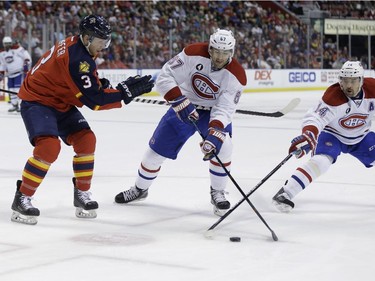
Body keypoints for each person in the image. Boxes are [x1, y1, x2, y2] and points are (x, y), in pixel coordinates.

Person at [11, 14, 154, 225]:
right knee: (49, 147)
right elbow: (95, 102)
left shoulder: (79, 46)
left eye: (107, 41)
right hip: (38, 101)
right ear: (87, 38)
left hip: (59, 100)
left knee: (86, 140)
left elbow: (82, 84)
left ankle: (82, 193)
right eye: (101, 41)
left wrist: (102, 85)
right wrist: (124, 94)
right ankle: (22, 197)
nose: (104, 46)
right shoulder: (79, 59)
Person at [114, 29, 247, 216]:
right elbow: (165, 77)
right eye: (215, 51)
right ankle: (140, 189)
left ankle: (217, 192)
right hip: (183, 105)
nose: (219, 56)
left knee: (223, 148)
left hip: (212, 113)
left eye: (224, 53)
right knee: (154, 153)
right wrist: (178, 100)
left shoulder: (237, 75)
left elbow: (224, 109)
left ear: (231, 53)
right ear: (210, 47)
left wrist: (215, 132)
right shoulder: (193, 53)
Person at [272, 61, 375, 212]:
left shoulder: (372, 89)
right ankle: (286, 193)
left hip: (361, 136)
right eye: (345, 80)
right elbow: (315, 118)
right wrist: (309, 135)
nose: (349, 85)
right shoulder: (333, 96)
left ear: (361, 80)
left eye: (353, 81)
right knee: (321, 161)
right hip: (333, 135)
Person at [0, 36, 32, 112]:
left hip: (19, 73)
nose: (7, 45)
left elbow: (27, 57)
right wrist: (1, 73)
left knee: (18, 90)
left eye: (8, 43)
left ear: (11, 43)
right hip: (10, 74)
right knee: (11, 90)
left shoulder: (18, 49)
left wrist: (26, 64)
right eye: (5, 44)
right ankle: (14, 105)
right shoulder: (2, 53)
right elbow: (3, 64)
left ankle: (21, 105)